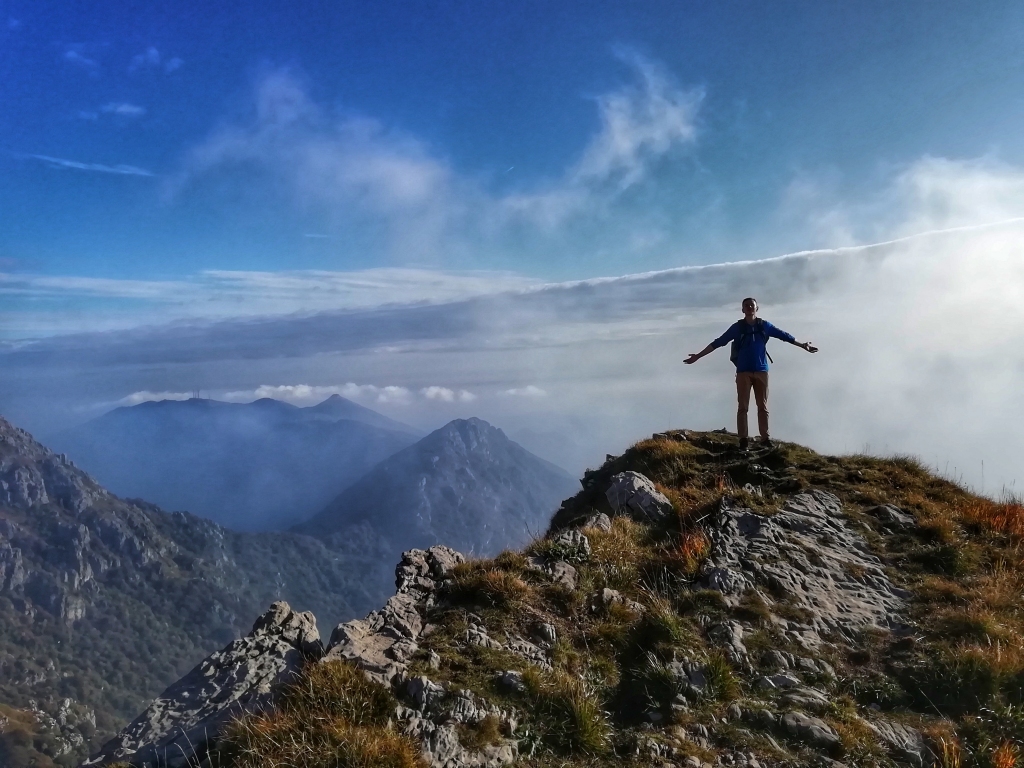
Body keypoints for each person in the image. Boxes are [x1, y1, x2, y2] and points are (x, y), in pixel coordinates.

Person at [684, 298, 817, 450]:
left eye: (751, 305)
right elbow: (719, 342)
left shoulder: (764, 326)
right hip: (743, 372)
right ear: (742, 310)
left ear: (756, 308)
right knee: (743, 407)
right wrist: (698, 356)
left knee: (762, 406)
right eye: (746, 306)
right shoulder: (737, 328)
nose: (749, 308)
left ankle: (765, 439)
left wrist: (803, 345)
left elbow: (784, 335)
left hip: (761, 371)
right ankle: (743, 440)